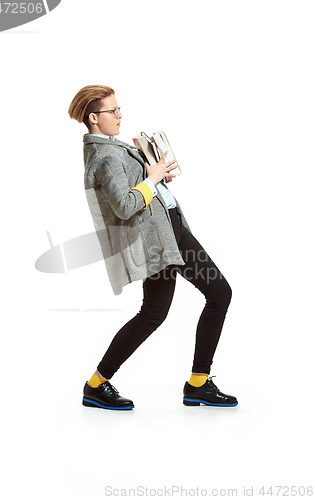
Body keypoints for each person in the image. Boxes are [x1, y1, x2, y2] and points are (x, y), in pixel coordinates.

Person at [68, 85, 238, 411]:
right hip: (160, 242)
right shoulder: (103, 156)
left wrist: (154, 176)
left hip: (174, 232)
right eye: (113, 111)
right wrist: (151, 178)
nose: (120, 115)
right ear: (93, 117)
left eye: (119, 109)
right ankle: (96, 384)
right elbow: (124, 205)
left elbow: (137, 190)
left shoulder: (111, 146)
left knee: (218, 294)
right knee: (153, 315)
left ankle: (198, 383)